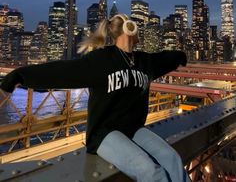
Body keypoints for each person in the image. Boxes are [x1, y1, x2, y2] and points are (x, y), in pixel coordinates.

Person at [1, 14, 190, 182]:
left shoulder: (145, 61)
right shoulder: (102, 60)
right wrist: (20, 76)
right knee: (151, 171)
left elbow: (166, 58)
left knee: (172, 158)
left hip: (134, 129)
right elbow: (63, 71)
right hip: (105, 134)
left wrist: (181, 56)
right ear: (129, 29)